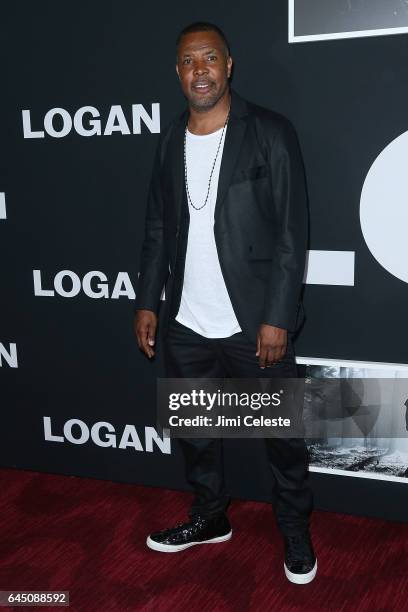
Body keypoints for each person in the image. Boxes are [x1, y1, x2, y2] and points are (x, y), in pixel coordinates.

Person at [134, 21, 316, 584]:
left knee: (281, 437)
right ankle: (210, 517)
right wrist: (148, 302)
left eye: (210, 59)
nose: (200, 71)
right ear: (179, 72)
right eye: (189, 62)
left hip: (254, 322)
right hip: (187, 321)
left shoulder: (269, 131)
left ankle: (294, 531)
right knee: (195, 432)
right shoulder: (169, 140)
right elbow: (159, 227)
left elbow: (292, 231)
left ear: (229, 65)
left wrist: (278, 315)